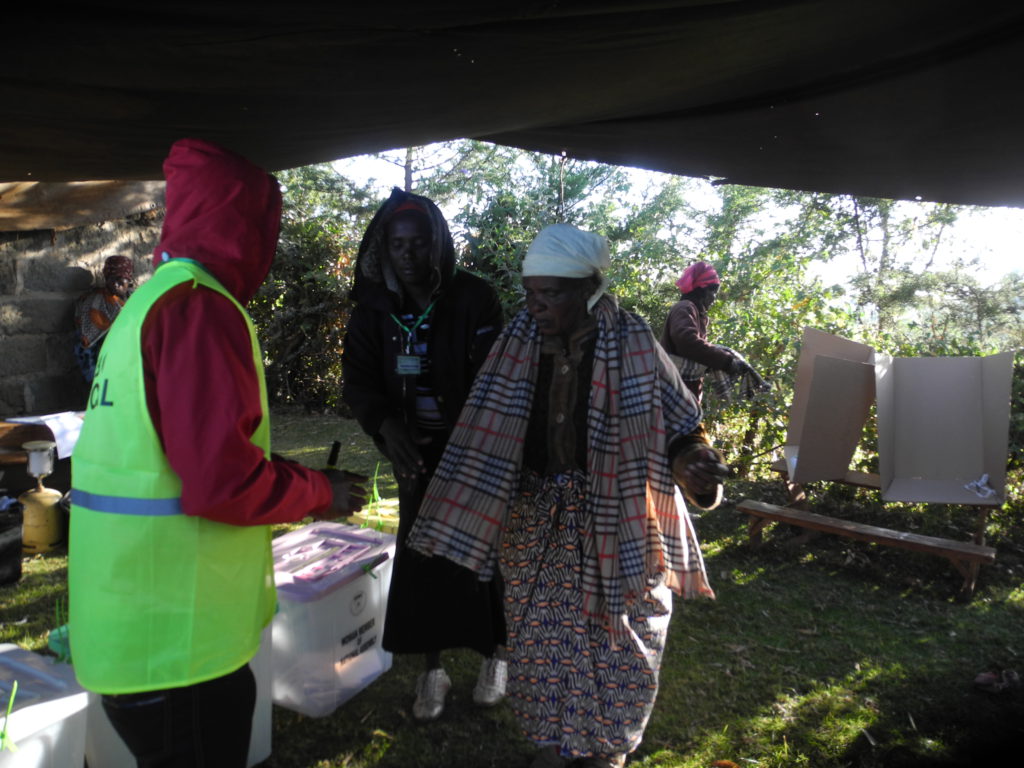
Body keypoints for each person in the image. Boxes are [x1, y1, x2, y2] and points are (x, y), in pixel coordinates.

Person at [68, 138, 367, 768]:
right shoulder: (199, 309)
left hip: (133, 625)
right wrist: (322, 492)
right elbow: (222, 482)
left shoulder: (149, 303)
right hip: (176, 645)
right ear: (240, 224)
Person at [409, 223, 729, 768]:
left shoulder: (633, 341)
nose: (535, 305)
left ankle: (605, 751)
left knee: (622, 643)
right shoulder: (516, 344)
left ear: (588, 289)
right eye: (530, 293)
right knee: (538, 643)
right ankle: (555, 745)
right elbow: (488, 424)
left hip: (619, 518)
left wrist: (691, 463)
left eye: (550, 294)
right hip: (536, 522)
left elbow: (682, 427)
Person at [341, 187, 508, 721]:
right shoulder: (373, 310)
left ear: (438, 245)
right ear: (384, 250)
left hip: (476, 451)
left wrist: (469, 443)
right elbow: (360, 380)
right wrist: (387, 427)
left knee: (482, 556)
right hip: (413, 454)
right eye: (397, 244)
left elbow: (498, 377)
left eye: (419, 243)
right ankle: (431, 670)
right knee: (422, 557)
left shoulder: (474, 298)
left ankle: (493, 655)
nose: (408, 254)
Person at [659, 260, 766, 402]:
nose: (714, 298)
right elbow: (687, 341)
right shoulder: (685, 307)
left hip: (682, 390)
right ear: (702, 290)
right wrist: (725, 361)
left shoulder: (695, 312)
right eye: (714, 292)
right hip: (672, 392)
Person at [73, 254, 136, 382]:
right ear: (106, 278)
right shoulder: (93, 304)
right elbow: (84, 347)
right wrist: (94, 380)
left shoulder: (136, 300)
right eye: (112, 279)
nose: (116, 284)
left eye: (121, 280)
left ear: (129, 280)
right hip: (105, 373)